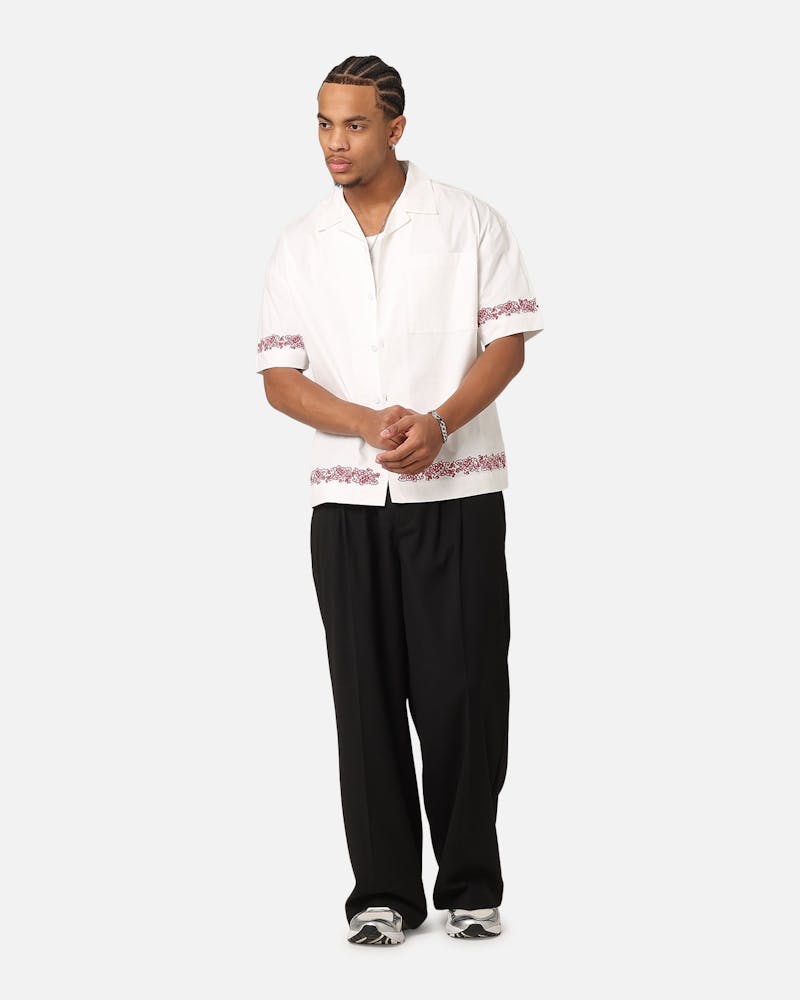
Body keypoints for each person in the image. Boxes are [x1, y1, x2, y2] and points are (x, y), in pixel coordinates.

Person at [256, 54, 545, 945]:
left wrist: (441, 420)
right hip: (347, 505)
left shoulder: (468, 222)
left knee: (465, 693)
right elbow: (279, 376)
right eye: (323, 123)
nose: (334, 143)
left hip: (457, 493)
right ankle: (382, 893)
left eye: (354, 124)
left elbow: (508, 344)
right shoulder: (301, 242)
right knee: (365, 697)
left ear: (396, 127)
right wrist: (363, 421)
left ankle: (469, 885)